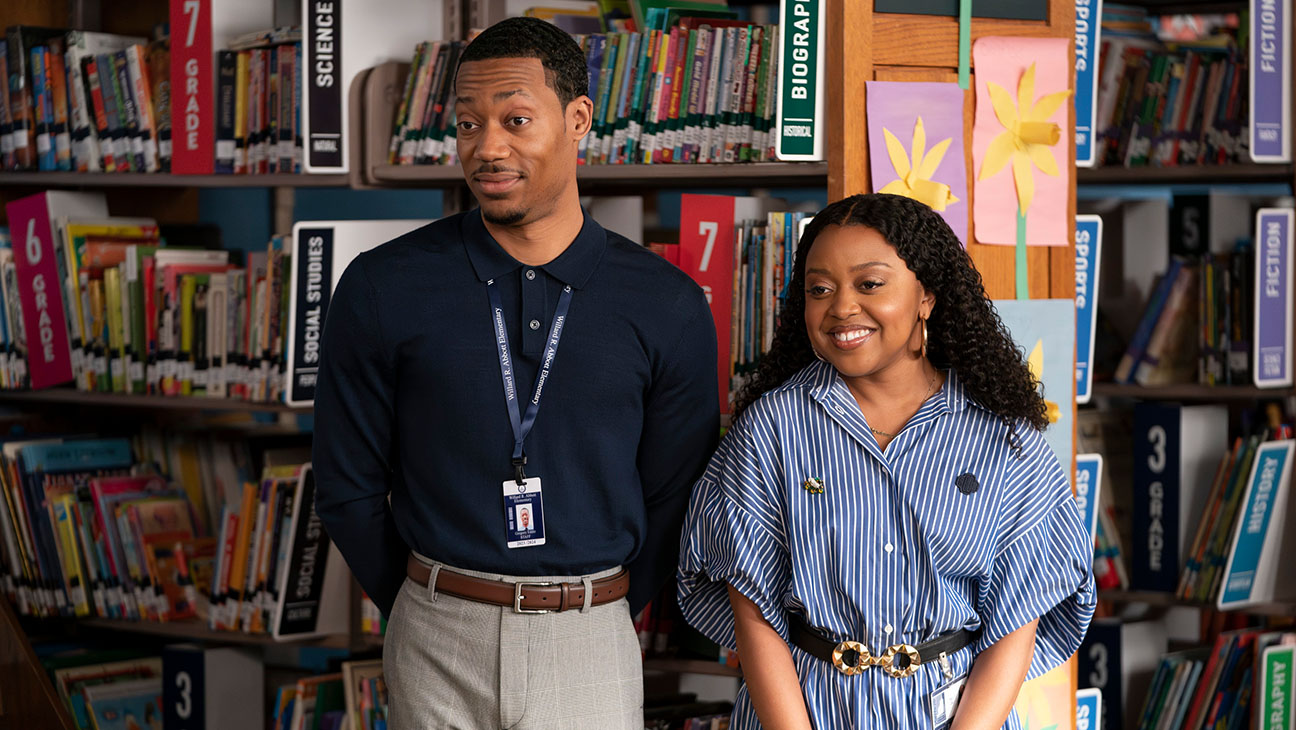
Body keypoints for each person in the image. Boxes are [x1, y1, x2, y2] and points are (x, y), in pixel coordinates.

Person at [312, 16, 719, 729]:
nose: (487, 147)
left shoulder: (668, 304)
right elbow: (346, 486)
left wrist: (596, 607)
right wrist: (424, 603)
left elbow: (675, 499)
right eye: (468, 125)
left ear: (578, 120)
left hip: (589, 636)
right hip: (435, 629)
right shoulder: (382, 287)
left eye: (516, 119)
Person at [676, 194, 1096, 730]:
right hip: (804, 709)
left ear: (926, 295)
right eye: (819, 289)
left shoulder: (1004, 434)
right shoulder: (772, 428)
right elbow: (753, 612)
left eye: (869, 284)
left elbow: (1019, 617)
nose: (842, 307)